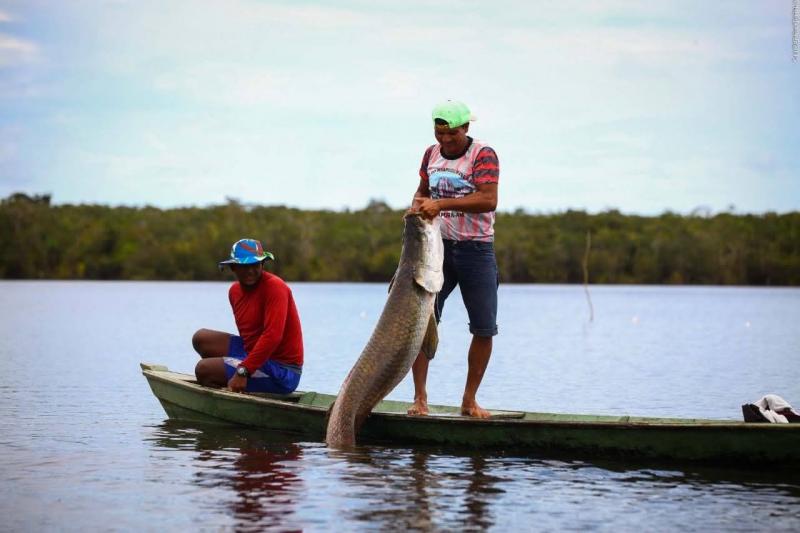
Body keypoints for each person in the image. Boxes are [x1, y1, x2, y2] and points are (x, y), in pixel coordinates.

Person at [408, 100, 500, 419]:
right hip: (438, 250)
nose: (445, 140)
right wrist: (416, 207)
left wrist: (441, 204)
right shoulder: (431, 154)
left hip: (476, 249)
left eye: (452, 134)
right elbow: (422, 192)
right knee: (422, 321)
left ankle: (469, 400)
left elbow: (488, 199)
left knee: (484, 327)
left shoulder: (482, 154)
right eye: (440, 133)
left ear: (466, 128)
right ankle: (420, 399)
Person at [193, 238, 303, 394]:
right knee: (201, 338)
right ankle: (229, 381)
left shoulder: (275, 287)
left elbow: (272, 336)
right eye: (244, 266)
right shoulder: (234, 292)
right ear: (233, 267)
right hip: (255, 355)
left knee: (204, 370)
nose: (250, 271)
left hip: (282, 371)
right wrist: (245, 364)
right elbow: (249, 339)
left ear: (262, 264)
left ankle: (232, 391)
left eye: (255, 265)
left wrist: (243, 370)